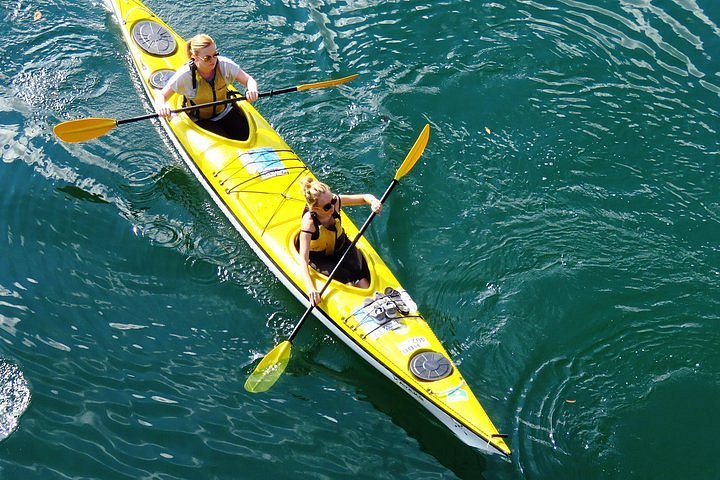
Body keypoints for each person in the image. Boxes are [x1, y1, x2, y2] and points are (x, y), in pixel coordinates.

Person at [154, 34, 259, 141]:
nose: (213, 60)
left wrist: (252, 89)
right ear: (194, 58)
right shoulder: (185, 75)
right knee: (222, 139)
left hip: (225, 112)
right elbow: (161, 96)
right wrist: (162, 107)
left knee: (242, 135)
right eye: (207, 58)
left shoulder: (224, 65)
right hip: (200, 121)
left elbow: (249, 80)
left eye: (215, 55)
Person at [298, 177, 383, 306]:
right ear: (315, 209)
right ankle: (362, 308)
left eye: (332, 200)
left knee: (359, 271)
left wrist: (373, 202)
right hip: (320, 259)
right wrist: (310, 288)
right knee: (346, 280)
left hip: (341, 246)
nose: (332, 206)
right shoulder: (309, 223)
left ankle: (377, 301)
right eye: (327, 206)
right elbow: (303, 260)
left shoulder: (335, 202)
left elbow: (365, 197)